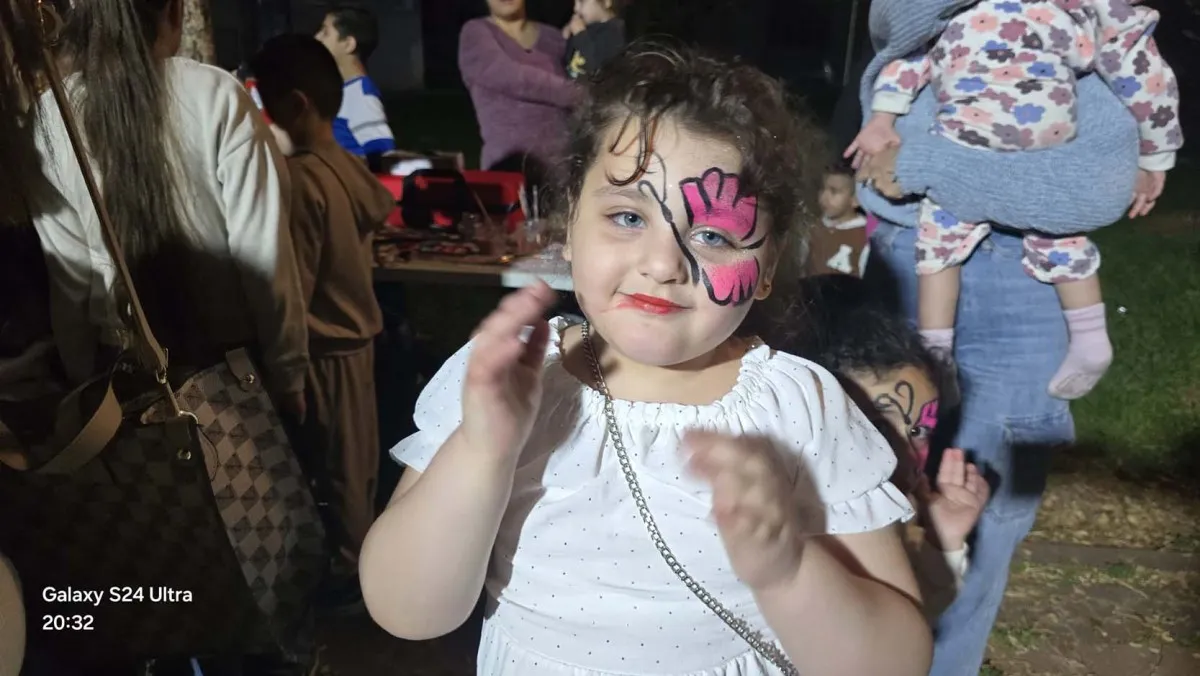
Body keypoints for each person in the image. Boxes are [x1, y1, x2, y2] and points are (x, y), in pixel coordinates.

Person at [360, 44, 932, 676]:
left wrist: (792, 572)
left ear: (768, 266)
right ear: (569, 225)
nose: (662, 264)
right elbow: (407, 612)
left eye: (712, 234)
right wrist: (481, 452)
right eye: (628, 216)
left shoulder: (801, 407)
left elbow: (895, 662)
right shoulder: (504, 379)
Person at [848, 0, 1144, 670]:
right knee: (868, 498)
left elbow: (1094, 189)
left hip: (1020, 283)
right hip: (903, 270)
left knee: (978, 515)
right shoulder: (923, 41)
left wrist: (929, 165)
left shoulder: (1074, 36)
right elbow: (894, 40)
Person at [847, 0, 1183, 401]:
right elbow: (909, 59)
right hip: (978, 148)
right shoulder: (969, 16)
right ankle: (939, 354)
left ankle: (1084, 339)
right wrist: (881, 119)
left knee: (1009, 240)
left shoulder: (1066, 10)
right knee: (963, 247)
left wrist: (1155, 153)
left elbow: (1139, 70)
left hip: (1013, 154)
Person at [30, 0, 307, 416]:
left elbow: (70, 277)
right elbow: (265, 259)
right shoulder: (217, 96)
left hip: (119, 380)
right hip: (229, 379)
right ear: (175, 11)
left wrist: (82, 380)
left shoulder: (52, 115)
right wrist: (288, 374)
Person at [251, 34, 396, 611]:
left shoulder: (302, 179)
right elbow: (379, 208)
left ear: (295, 104)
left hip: (325, 347)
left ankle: (357, 581)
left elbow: (296, 283)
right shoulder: (345, 164)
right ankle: (363, 565)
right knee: (358, 463)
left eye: (266, 102)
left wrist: (286, 364)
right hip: (358, 341)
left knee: (339, 470)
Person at [776, 274, 990, 623]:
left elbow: (905, 623)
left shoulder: (881, 519)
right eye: (877, 428)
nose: (906, 456)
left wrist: (942, 543)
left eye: (918, 431)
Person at [458, 0, 577, 178]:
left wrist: (585, 38)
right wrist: (578, 93)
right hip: (507, 171)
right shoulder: (475, 33)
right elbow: (511, 77)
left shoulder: (553, 37)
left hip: (560, 172)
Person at [314, 5, 396, 159]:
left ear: (348, 44)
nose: (317, 37)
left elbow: (382, 157)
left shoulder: (361, 97)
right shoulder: (343, 91)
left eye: (325, 32)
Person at [807, 162, 869, 277]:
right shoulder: (814, 226)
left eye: (834, 191)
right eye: (822, 189)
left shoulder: (865, 238)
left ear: (855, 199)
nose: (824, 197)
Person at [562, 0, 627, 80]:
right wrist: (570, 35)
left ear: (606, 2)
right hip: (568, 74)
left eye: (582, 1)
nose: (576, 8)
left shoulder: (614, 35)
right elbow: (570, 55)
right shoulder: (591, 22)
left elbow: (592, 66)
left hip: (583, 85)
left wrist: (580, 34)